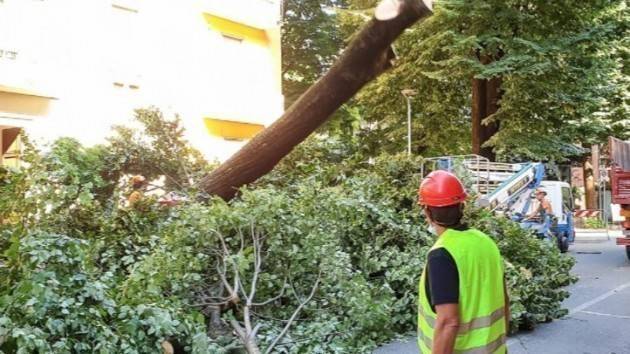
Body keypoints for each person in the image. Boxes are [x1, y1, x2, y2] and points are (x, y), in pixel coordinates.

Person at [417, 170, 509, 354]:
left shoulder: (441, 254)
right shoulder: (486, 242)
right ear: (462, 206)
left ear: (427, 211)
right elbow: (505, 301)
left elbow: (448, 322)